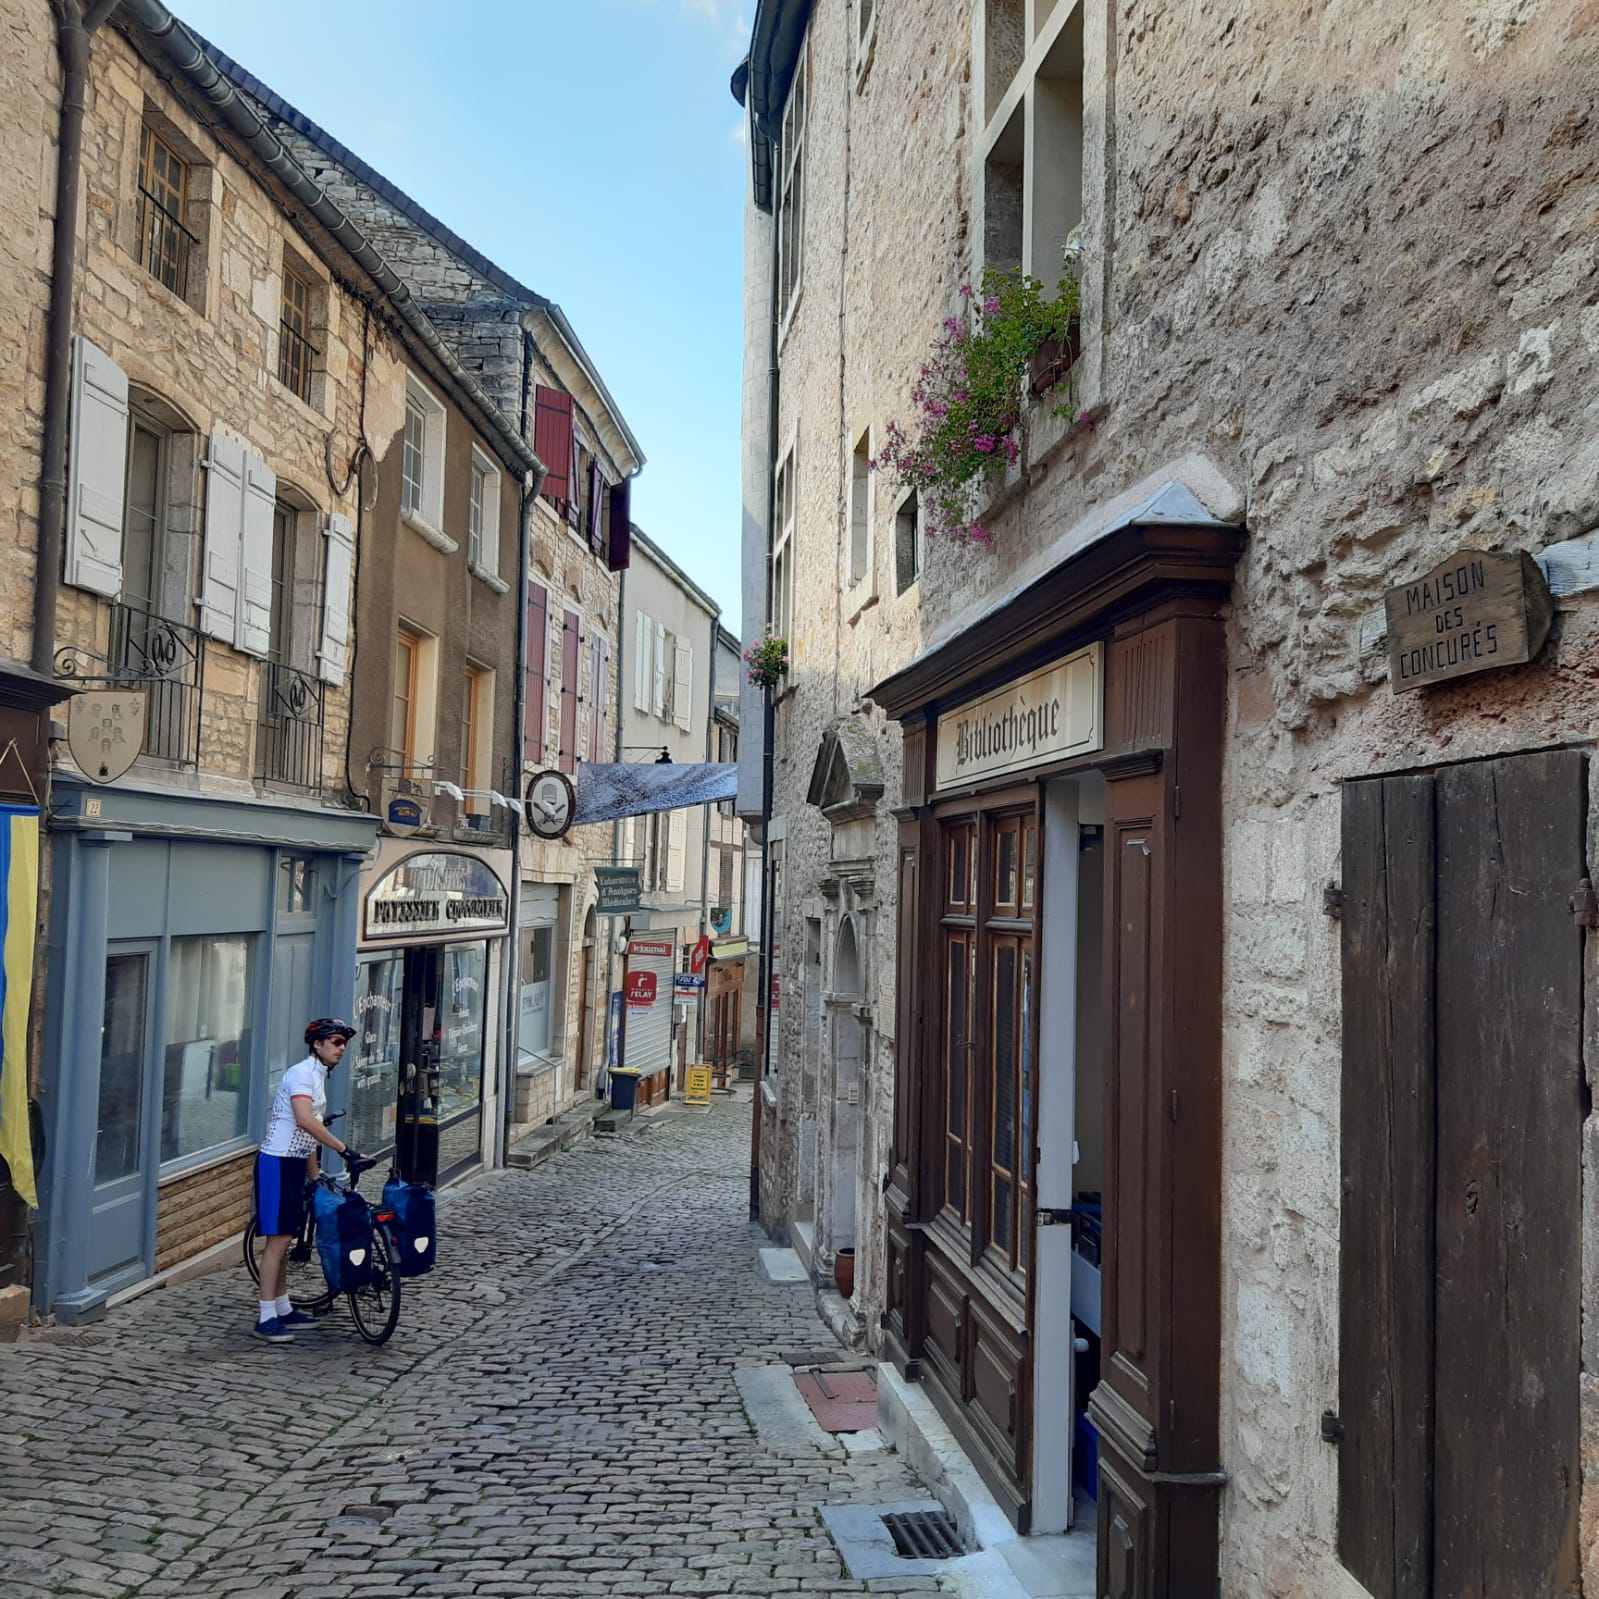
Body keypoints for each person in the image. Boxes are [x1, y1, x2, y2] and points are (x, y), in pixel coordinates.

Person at [252, 1018, 362, 1343]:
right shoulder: (302, 1073)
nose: (342, 1048)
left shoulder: (317, 1075)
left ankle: (283, 1307)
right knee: (277, 1242)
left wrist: (314, 1174)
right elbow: (303, 1120)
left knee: (286, 1239)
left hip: (295, 1163)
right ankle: (265, 1316)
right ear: (317, 1044)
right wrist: (344, 1149)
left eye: (344, 1043)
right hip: (277, 1162)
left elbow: (311, 1128)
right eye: (336, 1042)